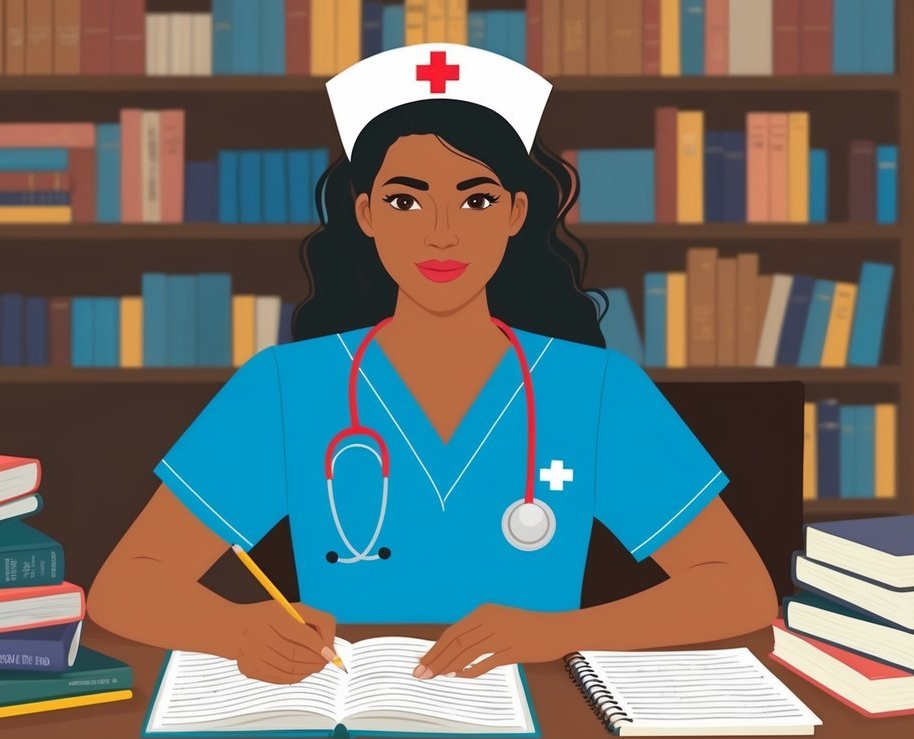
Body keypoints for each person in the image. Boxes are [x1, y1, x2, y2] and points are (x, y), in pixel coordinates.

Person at [89, 42, 777, 685]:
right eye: (404, 199)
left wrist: (562, 632)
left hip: (534, 710)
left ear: (514, 211)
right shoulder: (282, 386)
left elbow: (738, 589)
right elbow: (126, 585)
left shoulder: (594, 390)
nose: (440, 232)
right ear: (364, 214)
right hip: (345, 710)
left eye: (474, 199)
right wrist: (234, 628)